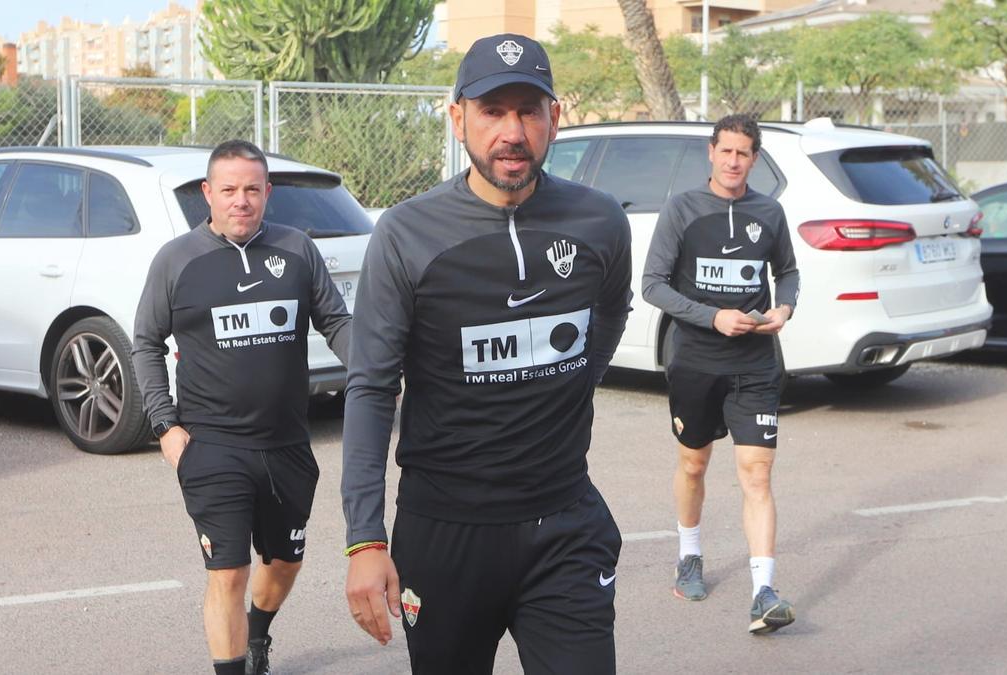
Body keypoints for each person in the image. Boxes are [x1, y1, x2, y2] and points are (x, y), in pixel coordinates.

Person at [341, 33, 632, 674]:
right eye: (492, 111)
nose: (512, 131)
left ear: (555, 118)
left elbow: (609, 314)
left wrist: (566, 390)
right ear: (457, 119)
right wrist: (365, 537)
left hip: (564, 523)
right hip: (445, 532)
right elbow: (370, 389)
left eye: (529, 110)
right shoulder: (406, 233)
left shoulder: (600, 221)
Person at [132, 139, 351, 674]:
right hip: (212, 446)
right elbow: (145, 342)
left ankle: (258, 633)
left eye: (252, 189)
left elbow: (338, 324)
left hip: (287, 445)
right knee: (227, 573)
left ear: (267, 192)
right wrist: (166, 426)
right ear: (208, 194)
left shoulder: (297, 249)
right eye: (228, 190)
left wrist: (376, 372)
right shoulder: (177, 260)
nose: (241, 200)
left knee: (282, 564)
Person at [641, 114, 800, 634]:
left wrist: (785, 308)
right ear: (712, 152)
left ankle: (764, 591)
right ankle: (689, 555)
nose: (734, 161)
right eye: (726, 151)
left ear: (755, 159)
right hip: (695, 362)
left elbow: (788, 272)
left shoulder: (769, 212)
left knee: (757, 473)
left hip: (755, 364)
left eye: (744, 153)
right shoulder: (683, 209)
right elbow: (653, 285)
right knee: (694, 465)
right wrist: (711, 317)